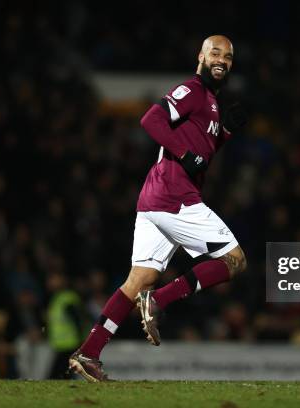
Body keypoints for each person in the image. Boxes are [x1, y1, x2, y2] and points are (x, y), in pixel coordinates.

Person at [68, 35, 247, 382]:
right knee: (235, 260)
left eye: (227, 55)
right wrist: (185, 154)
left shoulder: (210, 102)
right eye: (215, 52)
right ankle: (160, 301)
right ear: (201, 56)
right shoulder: (193, 90)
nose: (221, 59)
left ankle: (88, 353)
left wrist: (223, 133)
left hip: (155, 198)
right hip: (173, 195)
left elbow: (201, 155)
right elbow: (151, 119)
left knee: (138, 279)